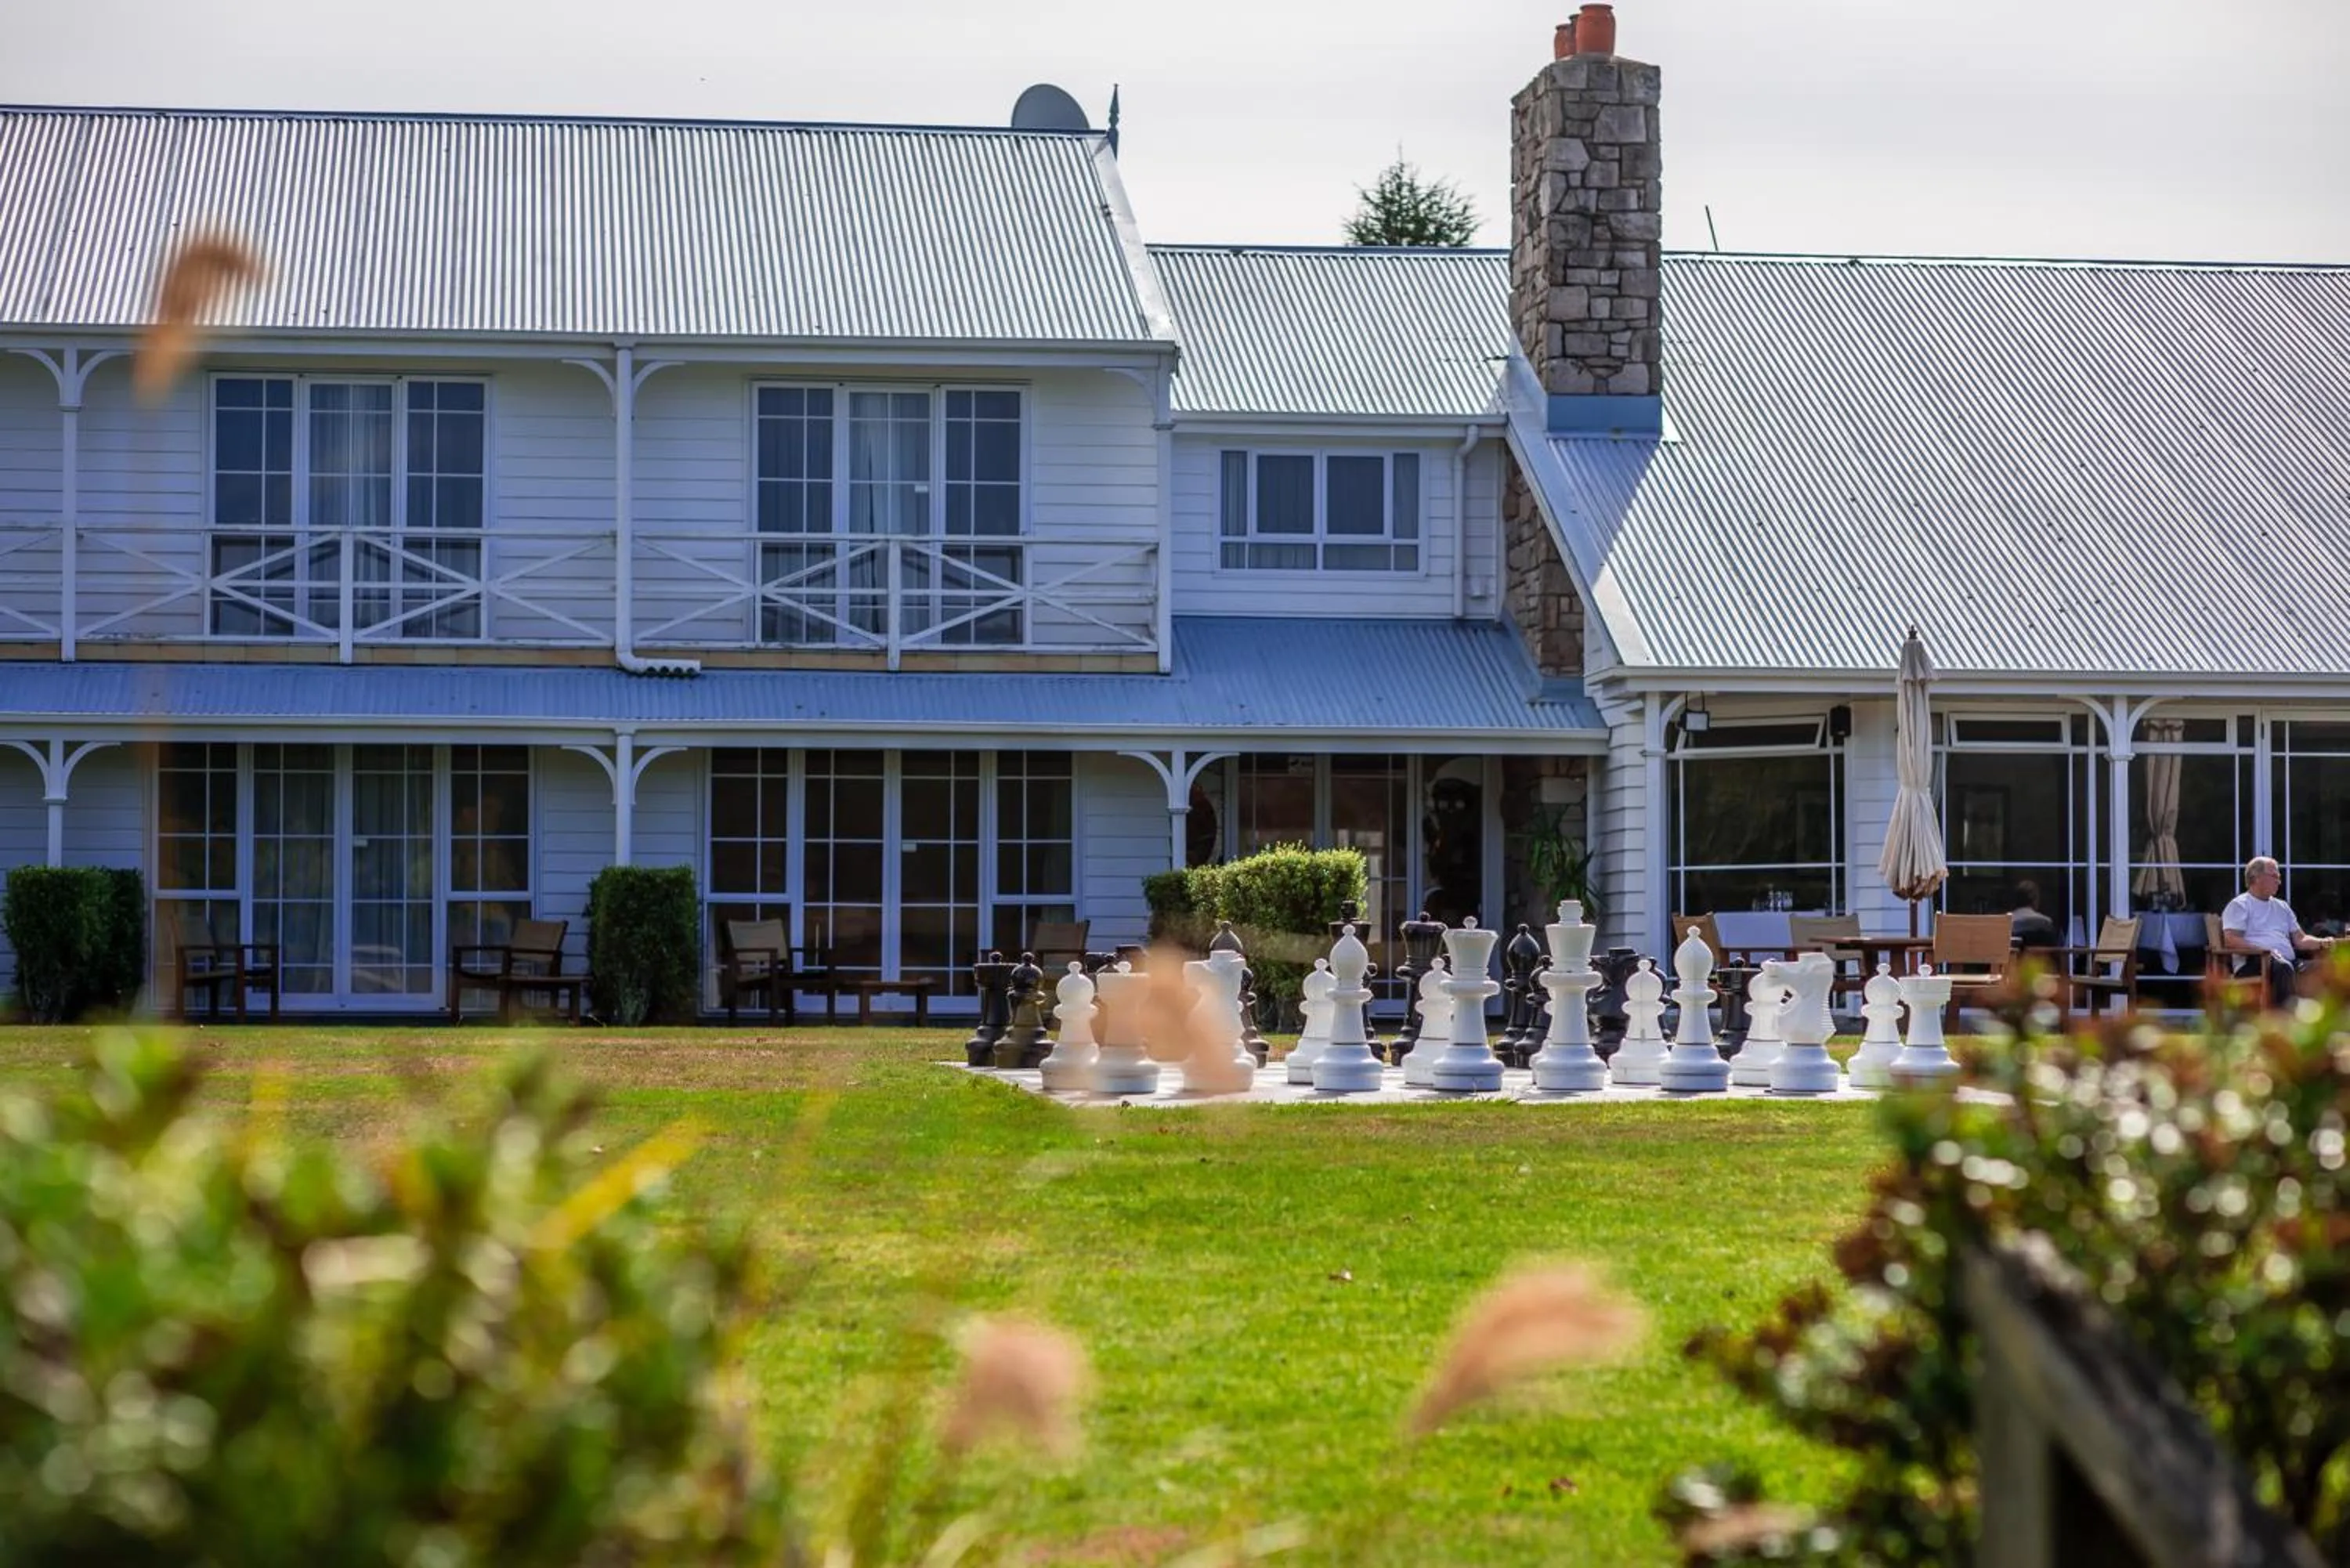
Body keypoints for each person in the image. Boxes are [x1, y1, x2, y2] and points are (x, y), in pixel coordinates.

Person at [2222, 856, 2338, 1006]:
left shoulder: (2282, 907)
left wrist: (2323, 943)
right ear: (2255, 878)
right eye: (2274, 876)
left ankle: (2321, 1021)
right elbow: (2231, 940)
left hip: (2287, 962)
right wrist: (2265, 951)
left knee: (2325, 968)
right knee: (2283, 967)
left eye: (2279, 877)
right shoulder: (2240, 905)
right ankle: (2283, 1022)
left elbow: (2300, 940)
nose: (2279, 882)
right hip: (2254, 963)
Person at [2009, 880, 2058, 950]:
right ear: (2035, 899)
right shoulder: (2046, 922)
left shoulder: (2006, 922)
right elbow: (2053, 952)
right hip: (2040, 960)